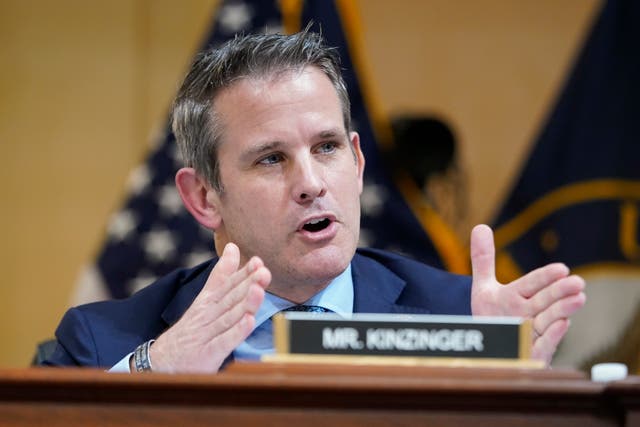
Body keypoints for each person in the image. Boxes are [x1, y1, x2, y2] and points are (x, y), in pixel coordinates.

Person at [42, 29, 585, 373]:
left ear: (357, 161)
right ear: (204, 197)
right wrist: (154, 375)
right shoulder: (100, 343)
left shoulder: (464, 319)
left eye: (326, 148)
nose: (311, 183)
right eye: (271, 158)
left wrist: (511, 397)